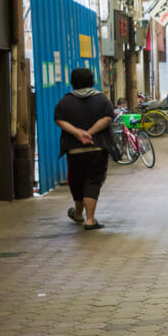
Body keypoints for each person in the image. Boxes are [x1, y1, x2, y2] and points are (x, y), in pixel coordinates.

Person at [53, 67, 114, 231]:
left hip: (75, 151)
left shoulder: (65, 101)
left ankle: (79, 214)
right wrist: (90, 133)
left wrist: (77, 133)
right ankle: (90, 219)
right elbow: (108, 118)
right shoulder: (102, 99)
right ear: (92, 81)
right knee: (93, 182)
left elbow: (58, 119)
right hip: (97, 149)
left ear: (72, 82)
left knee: (77, 182)